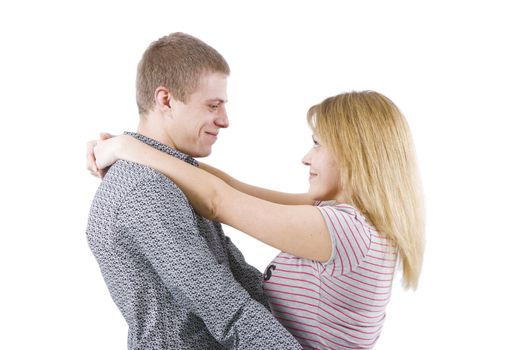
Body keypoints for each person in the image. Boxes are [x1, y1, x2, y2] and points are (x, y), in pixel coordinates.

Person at [89, 90, 425, 349]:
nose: (306, 158)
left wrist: (129, 151)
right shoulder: (359, 224)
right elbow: (233, 187)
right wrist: (141, 147)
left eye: (317, 144)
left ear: (354, 153)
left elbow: (218, 201)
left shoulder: (344, 231)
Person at [85, 32, 302, 349]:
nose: (225, 120)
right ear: (166, 100)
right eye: (212, 105)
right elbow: (225, 307)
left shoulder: (168, 177)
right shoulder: (147, 190)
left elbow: (238, 279)